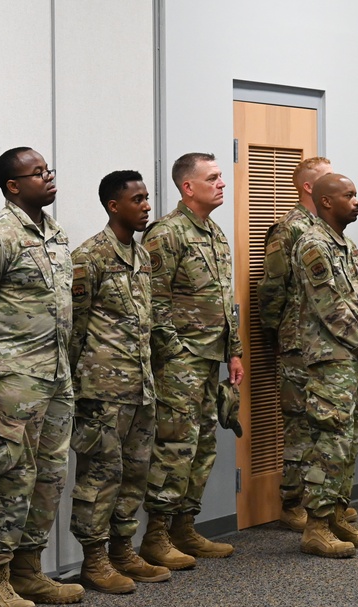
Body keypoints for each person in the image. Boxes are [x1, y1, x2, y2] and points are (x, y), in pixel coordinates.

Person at [0, 147, 82, 607]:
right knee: (9, 477)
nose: (48, 178)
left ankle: (30, 570)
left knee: (49, 477)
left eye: (49, 169)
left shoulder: (55, 235)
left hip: (55, 375)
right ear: (13, 186)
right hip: (11, 378)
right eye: (37, 173)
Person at [139, 152, 243, 568]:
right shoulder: (167, 234)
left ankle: (185, 527)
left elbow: (224, 300)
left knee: (202, 445)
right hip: (180, 361)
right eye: (214, 177)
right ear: (188, 187)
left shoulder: (214, 233)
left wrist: (233, 351)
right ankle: (156, 535)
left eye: (221, 177)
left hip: (210, 356)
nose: (222, 183)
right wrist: (174, 351)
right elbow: (153, 301)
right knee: (174, 447)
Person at [68, 170, 170, 592]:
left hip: (140, 385)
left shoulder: (142, 256)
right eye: (138, 199)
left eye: (147, 198)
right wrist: (75, 389)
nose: (147, 205)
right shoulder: (89, 257)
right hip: (102, 390)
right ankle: (94, 559)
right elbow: (73, 326)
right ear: (114, 206)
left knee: (135, 471)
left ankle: (122, 549)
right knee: (100, 474)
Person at [293, 173, 358, 558]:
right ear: (326, 202)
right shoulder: (313, 244)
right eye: (349, 195)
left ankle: (335, 516)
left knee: (348, 438)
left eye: (357, 195)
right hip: (329, 358)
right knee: (329, 439)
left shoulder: (347, 245)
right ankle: (315, 525)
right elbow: (327, 306)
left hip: (353, 357)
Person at [256, 157, 348, 532]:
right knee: (298, 426)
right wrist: (273, 335)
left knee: (324, 426)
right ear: (310, 187)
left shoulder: (329, 229)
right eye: (327, 177)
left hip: (329, 344)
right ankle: (292, 502)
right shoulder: (290, 229)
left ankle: (321, 502)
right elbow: (272, 287)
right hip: (298, 342)